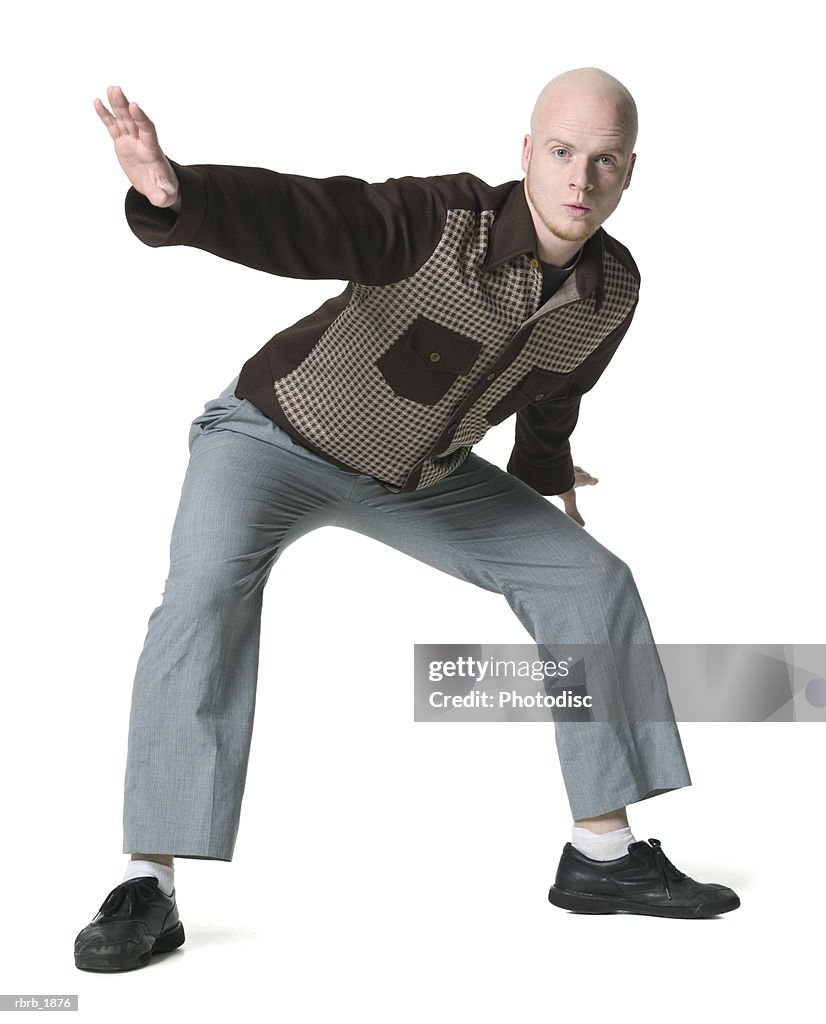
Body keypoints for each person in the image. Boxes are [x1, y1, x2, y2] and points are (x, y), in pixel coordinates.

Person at [75, 68, 739, 972]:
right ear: (526, 155)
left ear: (629, 173)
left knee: (590, 579)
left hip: (417, 474)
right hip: (272, 437)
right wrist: (180, 194)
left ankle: (603, 857)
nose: (580, 178)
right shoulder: (443, 221)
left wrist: (544, 472)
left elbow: (560, 386)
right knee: (200, 601)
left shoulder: (612, 290)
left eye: (604, 160)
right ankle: (146, 881)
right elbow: (310, 214)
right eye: (561, 152)